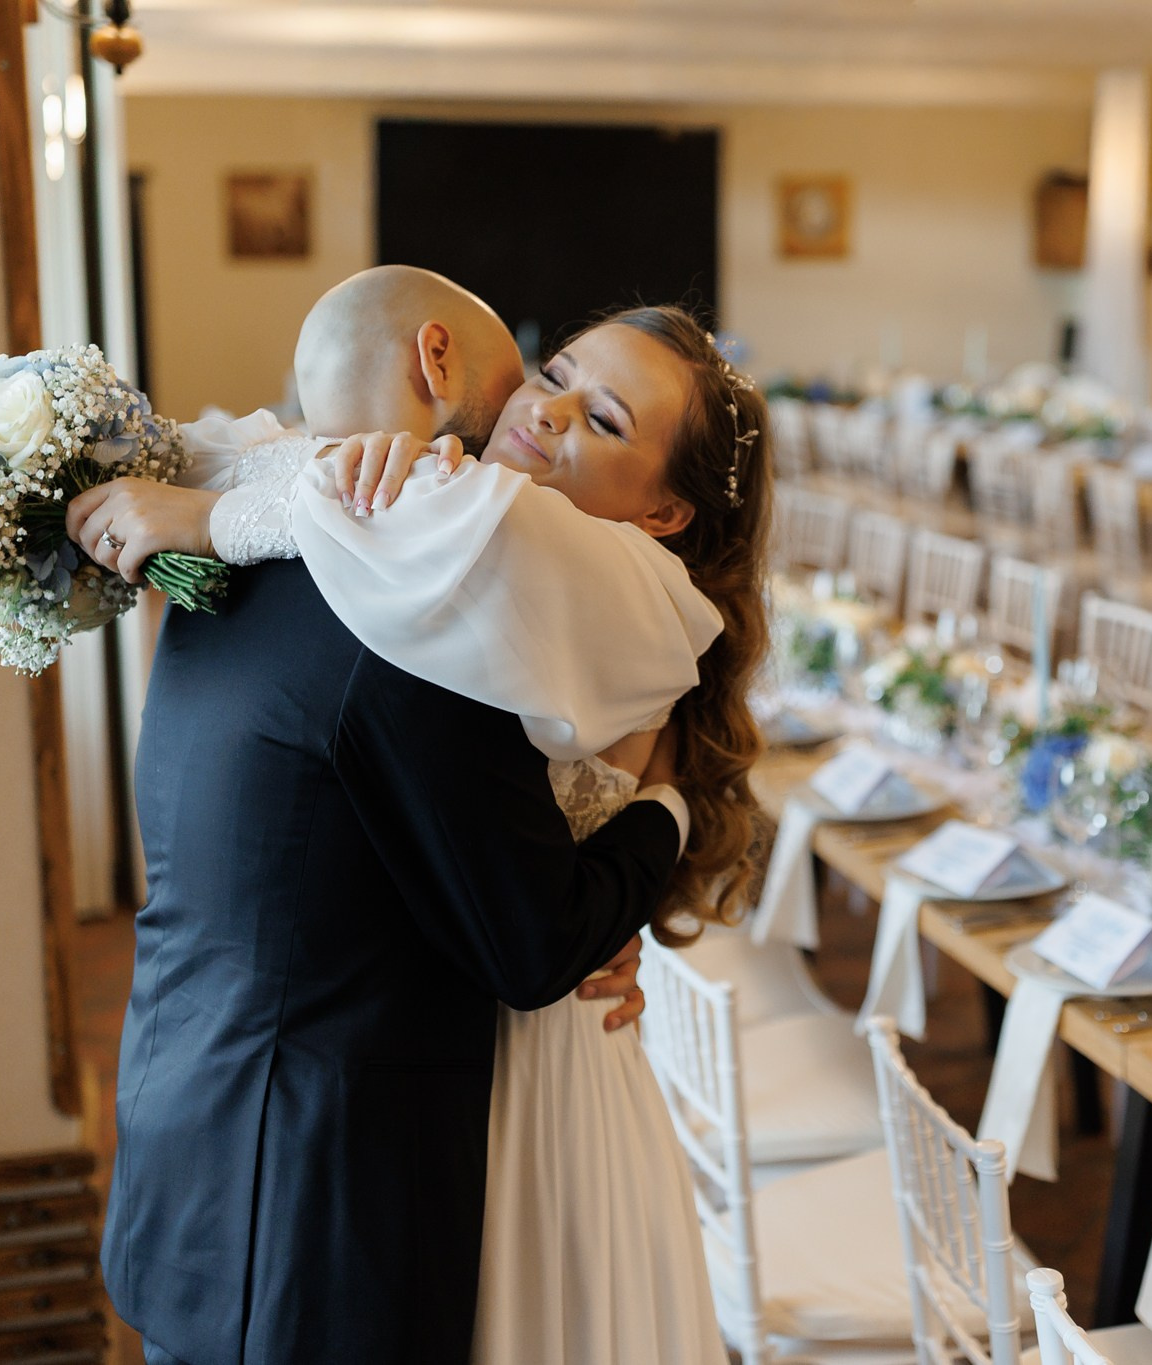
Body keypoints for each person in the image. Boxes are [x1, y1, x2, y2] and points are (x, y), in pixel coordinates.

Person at [80, 271, 774, 1364]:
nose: (543, 412)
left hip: (200, 1120)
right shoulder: (410, 602)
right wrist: (666, 819)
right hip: (317, 1194)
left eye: (599, 417)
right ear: (438, 360)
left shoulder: (239, 559)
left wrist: (620, 881)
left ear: (666, 513)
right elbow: (533, 938)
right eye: (553, 376)